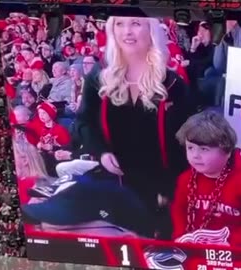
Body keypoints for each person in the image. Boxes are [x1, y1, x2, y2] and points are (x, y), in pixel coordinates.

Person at [77, 16, 197, 238]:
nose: (127, 32)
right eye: (119, 24)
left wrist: (171, 189)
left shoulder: (173, 84)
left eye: (135, 23)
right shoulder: (99, 76)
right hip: (113, 183)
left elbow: (187, 142)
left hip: (160, 189)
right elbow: (84, 121)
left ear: (151, 30)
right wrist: (101, 153)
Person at [171, 110, 241, 245]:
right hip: (194, 249)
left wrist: (229, 241)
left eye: (204, 149)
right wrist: (181, 236)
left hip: (235, 252)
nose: (195, 155)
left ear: (226, 151)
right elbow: (179, 210)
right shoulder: (185, 179)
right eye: (190, 148)